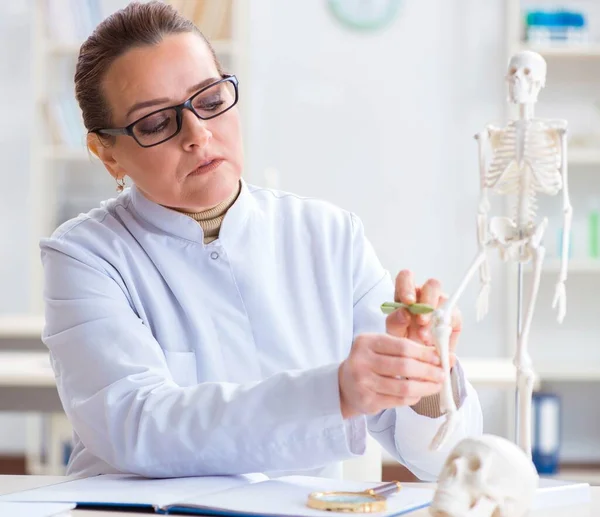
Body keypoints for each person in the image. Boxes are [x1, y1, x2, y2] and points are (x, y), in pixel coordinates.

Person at [40, 1, 482, 480]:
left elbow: (446, 461)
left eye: (209, 100)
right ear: (107, 155)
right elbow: (137, 425)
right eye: (155, 123)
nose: (198, 134)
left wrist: (426, 380)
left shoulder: (330, 237)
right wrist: (333, 393)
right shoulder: (85, 255)